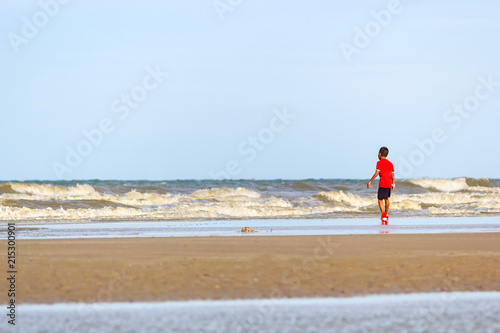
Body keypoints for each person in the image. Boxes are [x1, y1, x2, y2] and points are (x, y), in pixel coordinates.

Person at [367, 147, 395, 223]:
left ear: (379, 154)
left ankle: (383, 213)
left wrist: (370, 181)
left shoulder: (379, 163)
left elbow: (376, 173)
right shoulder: (390, 163)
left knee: (380, 200)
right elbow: (392, 174)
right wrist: (393, 183)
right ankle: (387, 213)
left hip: (382, 184)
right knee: (387, 199)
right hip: (389, 184)